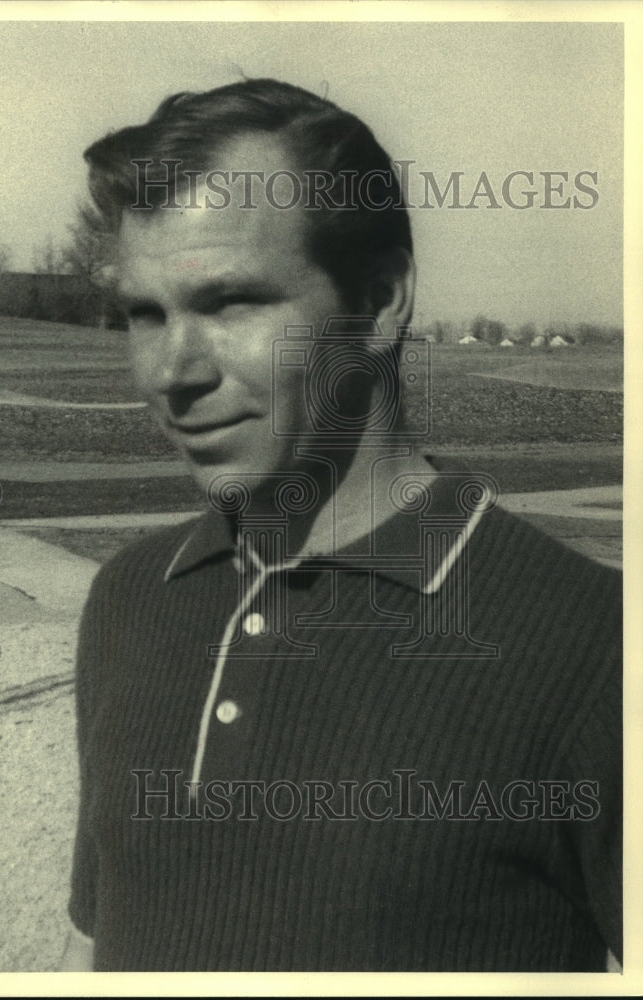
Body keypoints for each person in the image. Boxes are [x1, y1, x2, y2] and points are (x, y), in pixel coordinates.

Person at [60, 79, 622, 972]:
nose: (173, 370)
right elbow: (95, 948)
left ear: (383, 298)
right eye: (144, 313)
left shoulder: (597, 648)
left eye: (232, 303)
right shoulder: (129, 599)